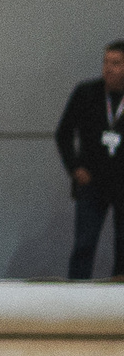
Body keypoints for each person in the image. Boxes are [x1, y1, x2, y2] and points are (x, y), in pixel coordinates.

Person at [54, 40, 124, 278]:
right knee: (84, 243)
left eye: (116, 63)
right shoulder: (87, 93)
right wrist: (75, 168)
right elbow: (63, 133)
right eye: (106, 62)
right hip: (91, 181)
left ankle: (118, 300)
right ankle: (76, 298)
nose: (108, 68)